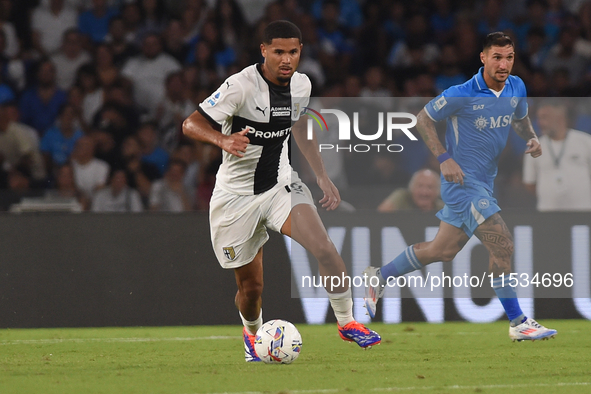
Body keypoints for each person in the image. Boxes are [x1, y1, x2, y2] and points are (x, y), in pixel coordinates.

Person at [182, 20, 380, 362]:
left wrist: (320, 174)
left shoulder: (301, 85)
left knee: (326, 250)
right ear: (264, 51)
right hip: (235, 198)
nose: (286, 60)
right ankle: (252, 332)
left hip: (280, 186)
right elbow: (190, 123)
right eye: (278, 52)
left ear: (300, 52)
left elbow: (300, 124)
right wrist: (223, 139)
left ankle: (347, 323)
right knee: (251, 289)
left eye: (292, 52)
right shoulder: (239, 87)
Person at [364, 32, 557, 342]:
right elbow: (422, 119)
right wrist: (443, 158)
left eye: (509, 57)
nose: (503, 64)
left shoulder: (516, 86)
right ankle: (518, 322)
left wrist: (531, 137)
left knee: (442, 250)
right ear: (483, 58)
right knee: (503, 243)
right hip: (462, 184)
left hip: (484, 183)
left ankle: (379, 276)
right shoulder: (462, 93)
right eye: (497, 57)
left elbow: (519, 118)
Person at [523, 100, 591, 211]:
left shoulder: (585, 142)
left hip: (583, 213)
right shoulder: (533, 148)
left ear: (559, 118)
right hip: (548, 214)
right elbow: (530, 184)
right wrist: (549, 193)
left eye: (544, 117)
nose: (540, 123)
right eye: (539, 118)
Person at [378, 169, 444, 213]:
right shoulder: (401, 197)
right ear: (412, 188)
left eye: (430, 187)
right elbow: (381, 215)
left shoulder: (443, 209)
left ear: (437, 192)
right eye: (420, 186)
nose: (424, 192)